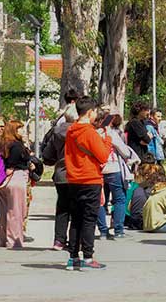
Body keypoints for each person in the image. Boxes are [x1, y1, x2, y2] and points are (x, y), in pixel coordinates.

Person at [64, 97, 113, 271]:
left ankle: (73, 257)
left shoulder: (71, 131)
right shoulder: (89, 132)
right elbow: (103, 155)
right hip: (90, 179)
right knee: (89, 219)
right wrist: (107, 139)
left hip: (73, 179)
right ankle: (88, 256)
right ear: (90, 112)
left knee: (75, 219)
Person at [42, 101, 78, 251]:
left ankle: (59, 240)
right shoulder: (81, 131)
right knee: (76, 208)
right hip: (77, 172)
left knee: (62, 207)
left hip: (61, 173)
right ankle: (75, 240)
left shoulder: (56, 132)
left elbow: (47, 154)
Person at [0, 120, 30, 249]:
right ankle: (14, 240)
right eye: (20, 128)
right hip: (16, 177)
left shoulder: (2, 143)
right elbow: (13, 164)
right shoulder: (17, 145)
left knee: (4, 211)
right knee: (16, 211)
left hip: (2, 182)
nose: (23, 131)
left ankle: (3, 239)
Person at [96, 113, 133, 240]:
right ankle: (118, 230)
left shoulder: (94, 133)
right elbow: (125, 151)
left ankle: (102, 231)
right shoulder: (111, 133)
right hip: (113, 168)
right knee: (119, 199)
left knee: (100, 201)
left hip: (98, 169)